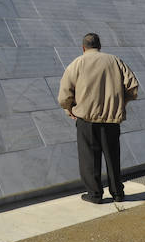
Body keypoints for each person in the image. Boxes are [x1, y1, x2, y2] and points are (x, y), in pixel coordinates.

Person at [58, 33, 139, 204]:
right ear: (99, 46)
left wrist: (69, 109)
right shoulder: (115, 61)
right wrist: (121, 103)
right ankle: (117, 193)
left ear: (83, 47)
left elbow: (64, 95)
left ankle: (94, 194)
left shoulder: (77, 63)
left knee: (89, 159)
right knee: (112, 157)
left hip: (86, 120)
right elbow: (132, 87)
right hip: (111, 120)